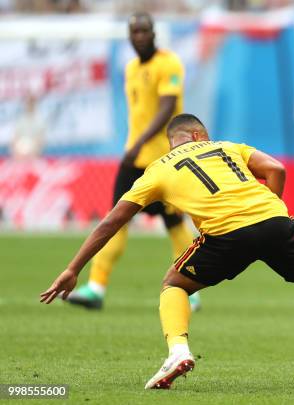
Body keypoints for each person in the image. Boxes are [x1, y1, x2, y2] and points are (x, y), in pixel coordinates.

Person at [40, 113, 294, 390]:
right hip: (274, 220)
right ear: (201, 135)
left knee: (173, 284)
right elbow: (277, 170)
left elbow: (113, 219)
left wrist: (74, 268)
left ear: (174, 142)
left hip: (226, 236)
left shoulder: (160, 168)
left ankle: (178, 351)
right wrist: (270, 216)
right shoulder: (226, 147)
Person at [67, 12, 200, 311]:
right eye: (134, 31)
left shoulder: (169, 64)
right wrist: (135, 144)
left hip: (166, 161)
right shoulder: (130, 69)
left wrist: (140, 141)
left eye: (144, 30)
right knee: (115, 220)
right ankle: (96, 288)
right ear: (129, 36)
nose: (139, 36)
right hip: (134, 159)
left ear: (153, 33)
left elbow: (167, 108)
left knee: (175, 223)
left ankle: (190, 291)